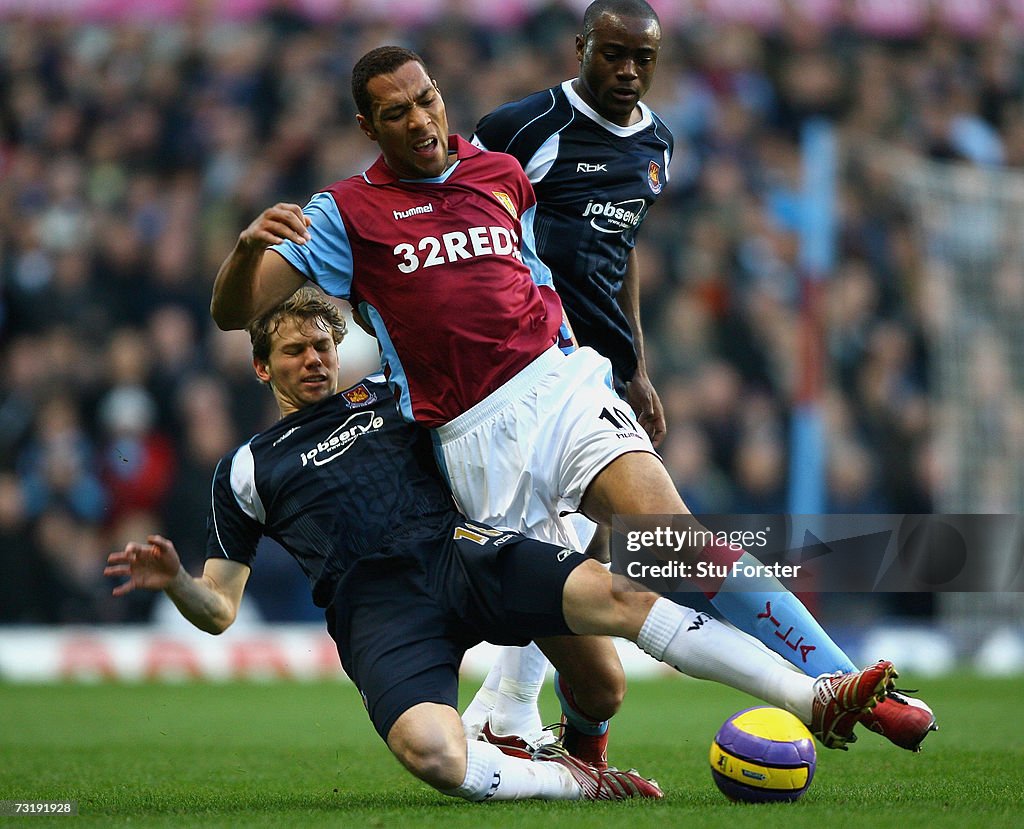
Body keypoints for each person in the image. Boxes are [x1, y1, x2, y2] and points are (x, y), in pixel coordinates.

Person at [208, 45, 936, 758]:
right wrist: (244, 250)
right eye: (397, 113)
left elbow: (568, 271)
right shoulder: (347, 211)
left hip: (558, 387)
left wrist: (629, 366)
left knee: (679, 539)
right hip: (471, 442)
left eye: (427, 98)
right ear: (369, 127)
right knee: (599, 678)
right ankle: (566, 739)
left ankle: (845, 687)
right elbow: (233, 311)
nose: (422, 121)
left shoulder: (499, 173)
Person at [106, 287, 902, 803]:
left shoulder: (393, 397)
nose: (313, 359)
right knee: (433, 755)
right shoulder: (245, 468)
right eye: (293, 351)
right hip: (378, 611)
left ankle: (812, 696)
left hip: (462, 554)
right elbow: (218, 608)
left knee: (609, 656)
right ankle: (577, 782)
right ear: (260, 366)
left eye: (323, 344)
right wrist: (177, 577)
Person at [464, 0, 672, 746]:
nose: (626, 71)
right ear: (581, 47)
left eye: (642, 59)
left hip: (603, 373)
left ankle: (509, 710)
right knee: (566, 541)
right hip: (532, 370)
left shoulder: (658, 145)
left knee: (577, 544)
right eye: (612, 54)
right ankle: (527, 716)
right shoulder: (520, 127)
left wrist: (637, 365)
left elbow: (626, 251)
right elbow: (458, 214)